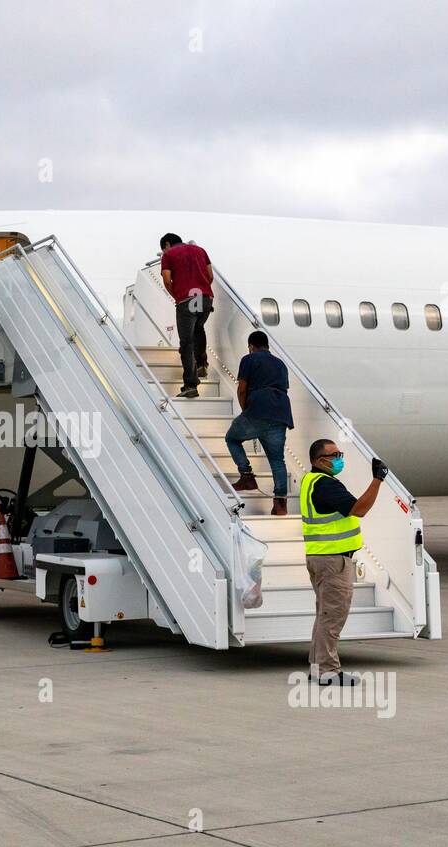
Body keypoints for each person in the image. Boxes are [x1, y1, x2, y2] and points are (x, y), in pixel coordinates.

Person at [300, 439, 390, 686]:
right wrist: (377, 479)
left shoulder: (311, 481)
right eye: (334, 455)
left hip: (321, 557)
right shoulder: (326, 485)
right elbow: (359, 509)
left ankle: (317, 668)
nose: (339, 458)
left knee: (324, 615)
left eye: (340, 453)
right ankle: (328, 672)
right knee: (332, 617)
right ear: (319, 461)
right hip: (333, 561)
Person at [226, 331, 293, 514]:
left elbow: (242, 388)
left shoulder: (249, 359)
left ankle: (246, 475)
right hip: (281, 413)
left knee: (232, 438)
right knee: (277, 459)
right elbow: (283, 388)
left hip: (258, 409)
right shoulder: (280, 364)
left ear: (251, 346)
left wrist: (245, 410)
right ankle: (280, 503)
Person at [158, 233, 213, 398]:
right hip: (205, 298)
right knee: (199, 329)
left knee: (187, 342)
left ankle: (190, 385)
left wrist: (178, 297)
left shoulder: (168, 255)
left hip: (187, 300)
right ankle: (202, 364)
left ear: (167, 244)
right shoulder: (200, 250)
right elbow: (210, 276)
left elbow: (167, 281)